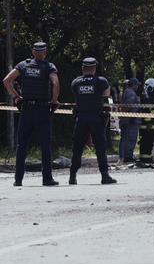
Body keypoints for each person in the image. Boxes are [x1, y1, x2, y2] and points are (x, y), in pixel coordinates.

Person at [3, 42, 60, 186]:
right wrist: (54, 100)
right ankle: (47, 178)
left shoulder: (23, 65)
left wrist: (16, 97)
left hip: (27, 109)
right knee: (45, 144)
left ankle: (18, 179)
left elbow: (7, 80)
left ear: (33, 53)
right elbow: (56, 84)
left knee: (21, 144)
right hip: (42, 109)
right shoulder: (49, 67)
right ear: (45, 53)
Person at [69, 58, 117, 185]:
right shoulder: (100, 81)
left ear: (82, 68)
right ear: (94, 69)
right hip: (96, 117)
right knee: (100, 147)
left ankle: (72, 176)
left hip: (81, 117)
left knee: (77, 147)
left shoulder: (76, 82)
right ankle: (105, 175)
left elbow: (75, 93)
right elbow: (106, 93)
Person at [137, 78, 154, 166]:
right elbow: (146, 111)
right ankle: (145, 158)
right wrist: (148, 122)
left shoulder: (150, 96)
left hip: (151, 124)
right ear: (150, 88)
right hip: (148, 125)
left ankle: (147, 157)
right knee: (146, 142)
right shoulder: (147, 97)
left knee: (149, 142)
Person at [118, 77, 141, 163]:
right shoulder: (131, 93)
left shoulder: (127, 92)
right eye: (137, 84)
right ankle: (128, 156)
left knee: (128, 137)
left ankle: (127, 155)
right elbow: (127, 105)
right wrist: (128, 115)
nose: (138, 86)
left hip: (129, 119)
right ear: (133, 84)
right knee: (131, 138)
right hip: (131, 120)